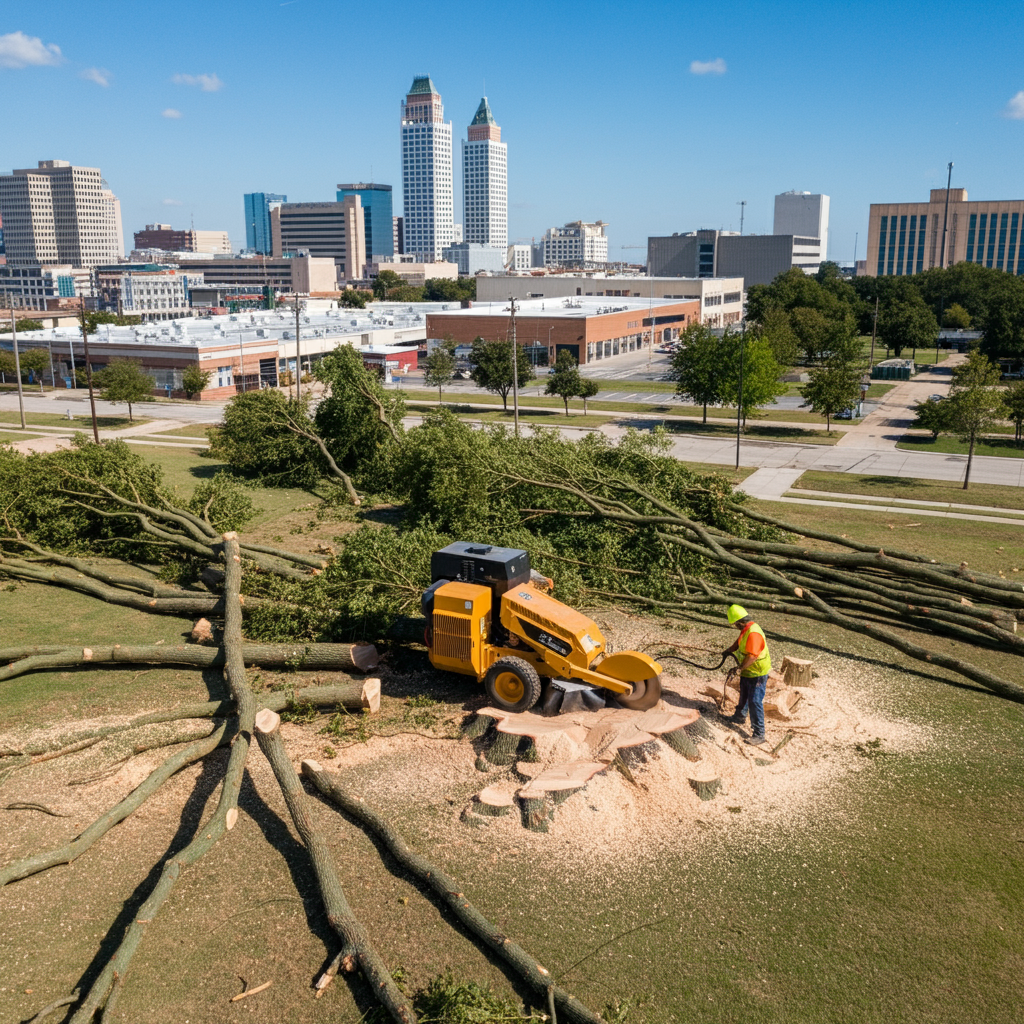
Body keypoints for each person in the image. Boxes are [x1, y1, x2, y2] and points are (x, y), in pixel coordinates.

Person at [723, 604, 771, 746]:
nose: (736, 627)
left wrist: (739, 668)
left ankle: (759, 733)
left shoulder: (754, 632)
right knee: (743, 693)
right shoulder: (747, 629)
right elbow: (739, 643)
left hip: (757, 671)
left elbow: (753, 655)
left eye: (735, 624)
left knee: (755, 701)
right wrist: (729, 650)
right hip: (748, 670)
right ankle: (739, 716)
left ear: (740, 622)